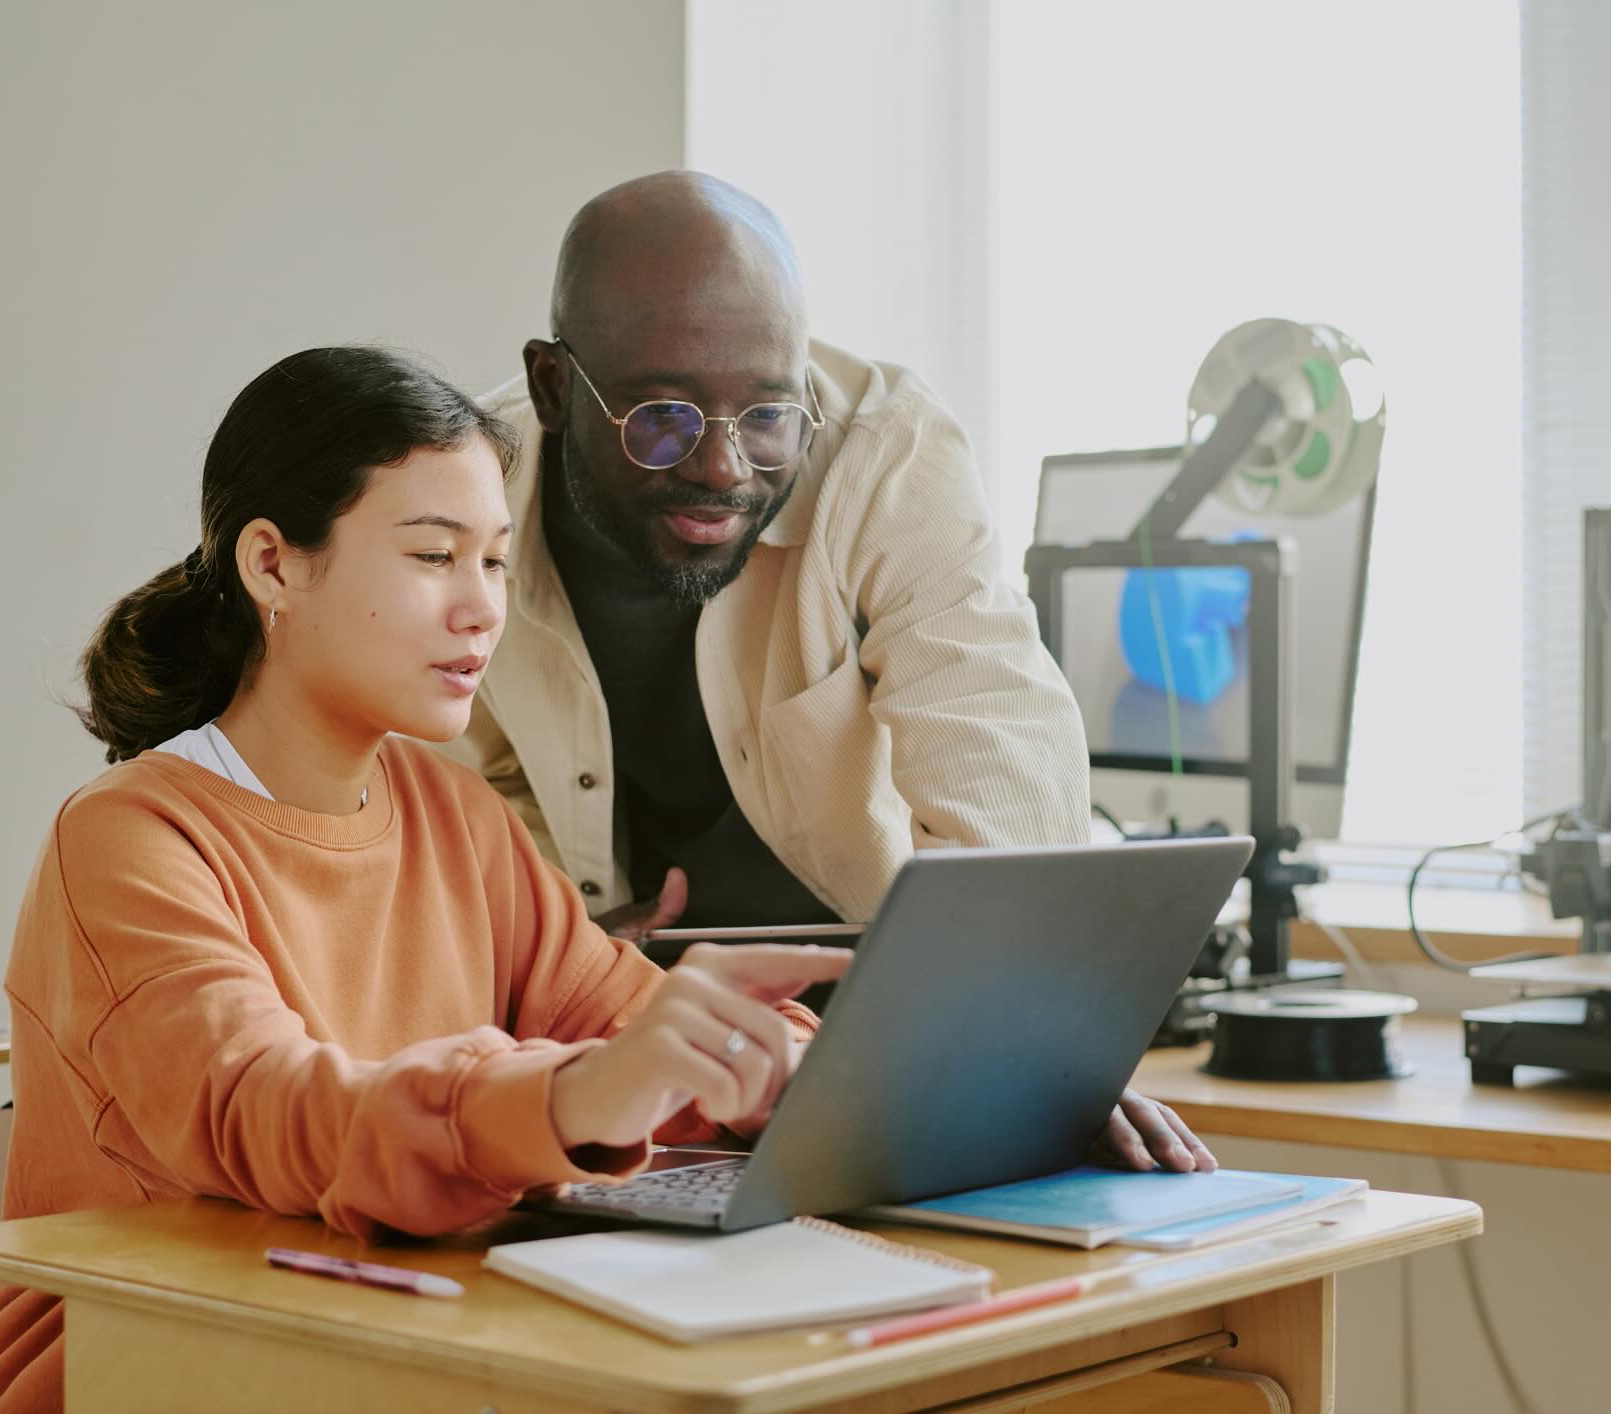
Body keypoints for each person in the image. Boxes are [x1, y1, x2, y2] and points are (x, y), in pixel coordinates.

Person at [0, 347, 846, 1414]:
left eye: (496, 562)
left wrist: (798, 1063)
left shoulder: (454, 813)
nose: (480, 610)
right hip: (147, 1367)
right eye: (432, 556)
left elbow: (629, 1018)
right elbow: (274, 1114)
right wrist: (571, 1092)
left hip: (407, 1339)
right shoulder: (130, 839)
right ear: (272, 565)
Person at [450, 172, 1214, 1172]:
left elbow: (998, 742)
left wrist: (1021, 1042)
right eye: (662, 419)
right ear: (555, 385)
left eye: (769, 413)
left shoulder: (881, 449)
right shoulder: (473, 488)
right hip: (620, 1041)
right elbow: (471, 781)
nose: (723, 469)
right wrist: (570, 947)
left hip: (892, 1023)